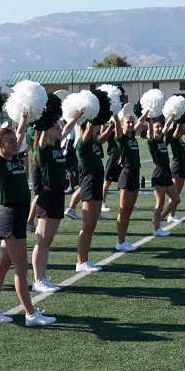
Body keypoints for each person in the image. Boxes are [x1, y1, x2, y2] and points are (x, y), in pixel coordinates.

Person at [0, 119, 55, 327]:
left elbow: (21, 132)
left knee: (3, 265)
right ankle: (30, 315)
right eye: (10, 141)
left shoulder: (15, 159)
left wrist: (24, 115)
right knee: (21, 269)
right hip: (11, 215)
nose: (15, 143)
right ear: (0, 145)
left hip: (17, 216)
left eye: (15, 141)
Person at [31, 117, 74, 293]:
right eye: (56, 127)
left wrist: (77, 115)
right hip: (47, 195)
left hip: (58, 195)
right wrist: (45, 123)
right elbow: (43, 137)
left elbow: (67, 128)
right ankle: (37, 279)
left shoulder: (57, 146)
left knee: (48, 241)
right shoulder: (44, 149)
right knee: (41, 241)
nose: (60, 129)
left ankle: (43, 277)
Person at [74, 112, 113, 273]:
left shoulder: (94, 142)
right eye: (95, 125)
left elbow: (102, 138)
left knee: (92, 225)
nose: (97, 127)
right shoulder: (83, 143)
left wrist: (110, 125)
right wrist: (92, 113)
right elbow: (90, 129)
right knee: (87, 226)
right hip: (89, 184)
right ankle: (81, 261)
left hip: (97, 183)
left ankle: (85, 259)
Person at [114, 112, 147, 252]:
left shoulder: (133, 137)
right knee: (123, 211)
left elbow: (141, 121)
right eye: (128, 122)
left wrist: (148, 111)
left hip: (135, 174)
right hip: (126, 174)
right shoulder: (121, 138)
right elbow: (116, 124)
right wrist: (115, 113)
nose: (131, 124)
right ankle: (120, 241)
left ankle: (123, 239)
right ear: (122, 124)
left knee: (129, 211)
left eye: (132, 122)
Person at [146, 117, 177, 237]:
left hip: (167, 172)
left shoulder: (162, 140)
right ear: (152, 130)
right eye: (156, 127)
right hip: (159, 173)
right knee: (160, 203)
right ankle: (156, 229)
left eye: (160, 127)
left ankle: (159, 219)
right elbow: (150, 128)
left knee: (176, 199)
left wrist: (173, 115)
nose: (159, 129)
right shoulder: (152, 142)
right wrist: (149, 121)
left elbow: (167, 124)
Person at [166, 116, 185, 223]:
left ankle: (172, 214)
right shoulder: (174, 139)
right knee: (175, 193)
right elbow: (179, 127)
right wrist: (179, 117)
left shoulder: (179, 138)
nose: (184, 128)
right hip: (177, 166)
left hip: (182, 166)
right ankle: (171, 215)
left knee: (177, 193)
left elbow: (181, 128)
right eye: (181, 127)